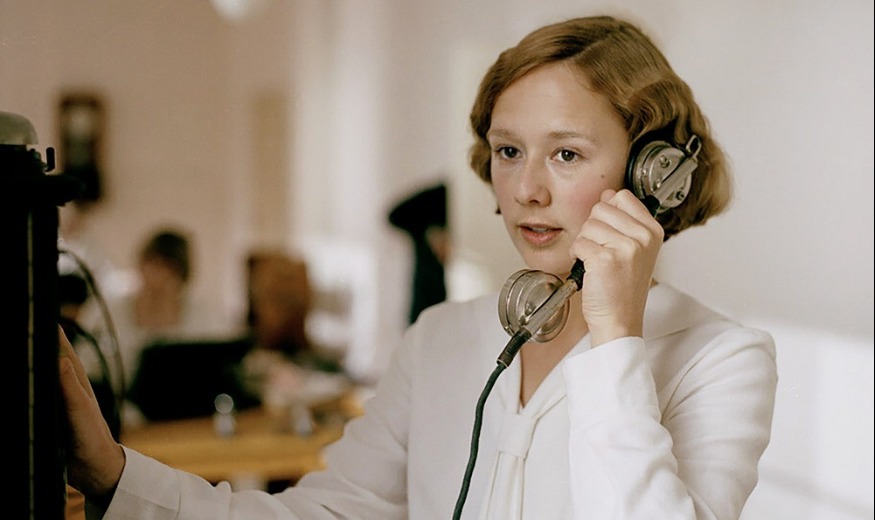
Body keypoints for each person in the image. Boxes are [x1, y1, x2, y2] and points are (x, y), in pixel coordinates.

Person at [58, 15, 778, 519]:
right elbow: (326, 514)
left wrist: (616, 338)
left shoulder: (721, 360)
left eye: (566, 153)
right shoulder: (440, 338)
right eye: (508, 151)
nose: (526, 189)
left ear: (654, 175)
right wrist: (113, 475)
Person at [79, 226, 234, 425]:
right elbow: (84, 372)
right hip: (121, 421)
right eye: (153, 265)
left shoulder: (206, 318)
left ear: (182, 277)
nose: (158, 278)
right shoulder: (103, 315)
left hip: (190, 420)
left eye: (169, 270)